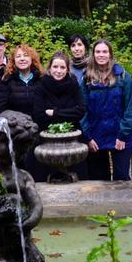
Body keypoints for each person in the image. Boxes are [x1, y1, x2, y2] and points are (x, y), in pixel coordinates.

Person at [81, 40, 132, 180]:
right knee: (99, 179)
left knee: (121, 178)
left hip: (120, 136)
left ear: (110, 54)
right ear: (93, 54)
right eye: (98, 52)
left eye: (105, 51)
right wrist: (87, 137)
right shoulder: (87, 78)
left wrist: (123, 134)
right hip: (95, 137)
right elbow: (82, 110)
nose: (101, 55)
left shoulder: (123, 77)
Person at [34, 52, 88, 181]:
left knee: (77, 180)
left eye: (62, 67)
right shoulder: (41, 86)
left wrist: (54, 113)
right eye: (55, 67)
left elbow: (80, 111)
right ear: (50, 68)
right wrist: (68, 113)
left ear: (68, 69)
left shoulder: (74, 85)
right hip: (47, 139)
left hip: (73, 138)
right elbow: (38, 114)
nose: (58, 71)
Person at [3, 44, 43, 116]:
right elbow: (3, 108)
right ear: (14, 60)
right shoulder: (7, 80)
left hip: (39, 125)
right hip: (16, 125)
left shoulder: (42, 79)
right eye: (18, 56)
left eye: (26, 55)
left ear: (32, 58)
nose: (22, 59)